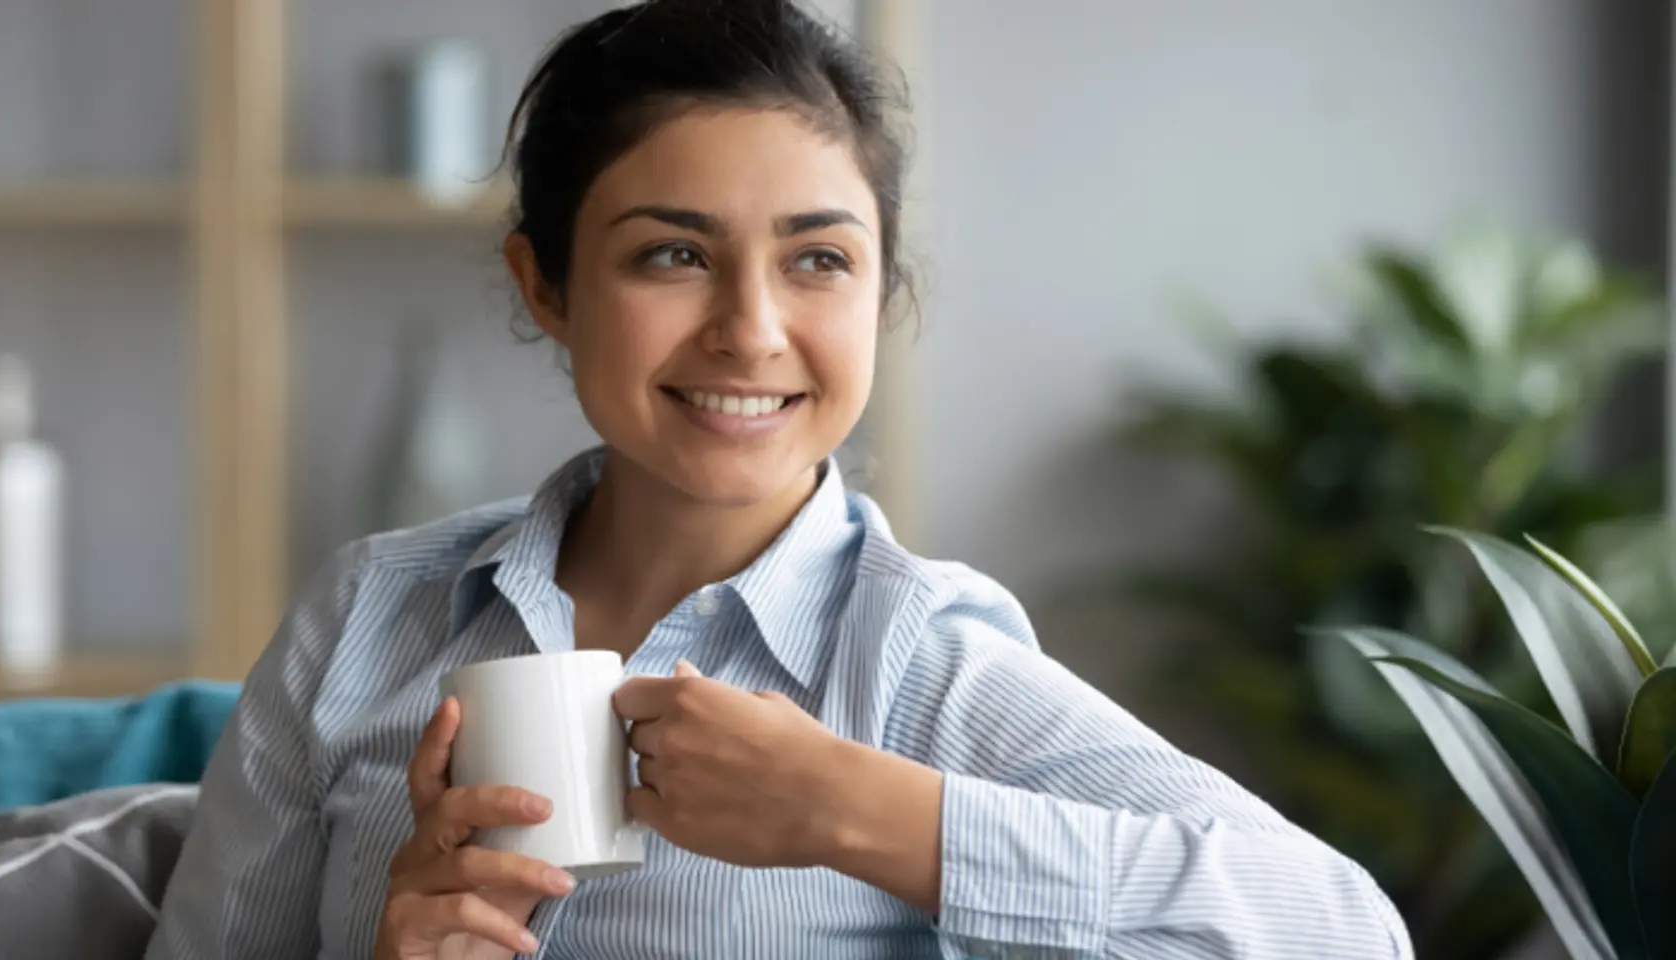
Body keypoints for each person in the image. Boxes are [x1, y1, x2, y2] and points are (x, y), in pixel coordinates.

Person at [146, 1, 1411, 957]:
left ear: (881, 288)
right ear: (546, 285)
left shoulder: (920, 661)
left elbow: (1342, 928)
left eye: (818, 261)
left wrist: (860, 813)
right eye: (672, 255)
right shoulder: (369, 613)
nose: (751, 332)